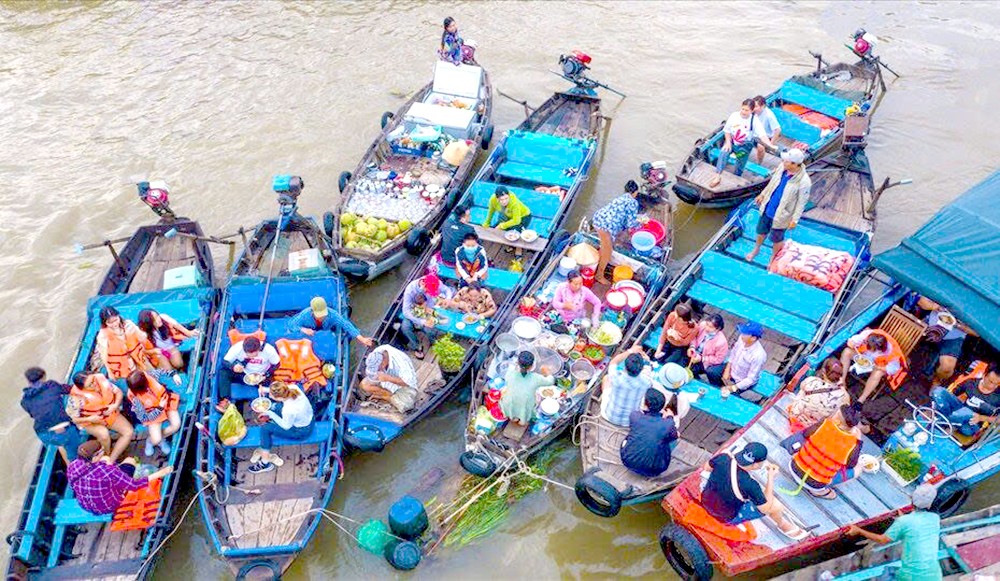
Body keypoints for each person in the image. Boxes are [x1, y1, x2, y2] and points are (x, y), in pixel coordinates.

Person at [701, 442, 807, 539]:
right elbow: (765, 508)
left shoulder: (723, 458)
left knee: (750, 494)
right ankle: (783, 525)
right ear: (756, 465)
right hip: (723, 516)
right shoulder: (751, 485)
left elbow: (706, 467)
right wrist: (770, 478)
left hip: (705, 500)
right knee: (775, 505)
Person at [848, 484, 943, 581]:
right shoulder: (934, 518)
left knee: (885, 574)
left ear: (911, 499)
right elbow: (916, 529)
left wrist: (859, 531)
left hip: (910, 576)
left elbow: (882, 540)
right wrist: (904, 520)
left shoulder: (905, 521)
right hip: (934, 575)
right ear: (930, 504)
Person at [744, 148, 811, 264]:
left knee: (777, 238)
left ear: (794, 164)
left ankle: (773, 258)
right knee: (761, 230)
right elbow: (772, 183)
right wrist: (762, 195)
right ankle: (756, 249)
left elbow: (801, 203)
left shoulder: (804, 182)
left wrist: (795, 219)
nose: (783, 162)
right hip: (768, 207)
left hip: (782, 214)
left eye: (787, 161)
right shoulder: (782, 168)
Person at [67, 443, 173, 516]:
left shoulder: (73, 466)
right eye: (101, 451)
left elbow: (73, 486)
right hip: (109, 506)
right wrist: (160, 473)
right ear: (94, 458)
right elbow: (134, 485)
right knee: (130, 460)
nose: (104, 451)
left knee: (107, 460)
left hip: (86, 505)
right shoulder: (107, 471)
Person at [789, 404, 864, 500]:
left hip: (794, 466)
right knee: (858, 469)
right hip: (815, 483)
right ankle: (817, 491)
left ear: (837, 420)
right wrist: (859, 442)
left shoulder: (824, 423)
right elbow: (850, 465)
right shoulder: (853, 443)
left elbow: (805, 433)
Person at [20, 367, 85, 463]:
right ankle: (76, 468)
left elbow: (35, 414)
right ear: (43, 377)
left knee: (60, 443)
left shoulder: (24, 401)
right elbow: (69, 389)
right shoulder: (51, 385)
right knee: (76, 456)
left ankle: (69, 468)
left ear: (29, 381)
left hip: (43, 434)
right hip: (64, 431)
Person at [248, 382, 315, 474]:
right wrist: (265, 390)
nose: (270, 396)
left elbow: (286, 426)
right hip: (310, 419)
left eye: (271, 395)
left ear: (279, 397)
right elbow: (283, 391)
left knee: (265, 428)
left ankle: (265, 463)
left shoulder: (288, 410)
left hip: (301, 431)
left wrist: (271, 414)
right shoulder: (293, 388)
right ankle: (271, 417)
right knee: (275, 407)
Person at [708, 99, 775, 189]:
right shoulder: (734, 116)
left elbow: (762, 135)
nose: (743, 112)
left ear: (751, 111)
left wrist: (770, 145)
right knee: (723, 154)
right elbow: (727, 130)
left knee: (740, 163)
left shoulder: (754, 121)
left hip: (744, 147)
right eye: (742, 109)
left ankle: (736, 179)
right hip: (732, 142)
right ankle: (717, 176)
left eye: (746, 110)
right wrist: (728, 143)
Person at [68, 372, 134, 462]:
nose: (94, 384)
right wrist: (90, 419)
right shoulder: (76, 398)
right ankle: (105, 456)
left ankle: (110, 461)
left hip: (109, 414)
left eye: (93, 380)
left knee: (128, 432)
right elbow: (73, 419)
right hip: (90, 422)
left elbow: (118, 392)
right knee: (104, 434)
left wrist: (115, 405)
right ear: (83, 388)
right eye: (90, 384)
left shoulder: (100, 379)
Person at [591, 180, 648, 284]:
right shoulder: (633, 202)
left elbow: (622, 215)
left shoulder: (621, 197)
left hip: (598, 218)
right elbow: (631, 224)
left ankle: (596, 263)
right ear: (635, 192)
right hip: (605, 226)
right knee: (608, 252)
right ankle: (599, 276)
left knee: (604, 246)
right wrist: (641, 224)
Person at [918, 296, 978, 387]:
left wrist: (957, 325)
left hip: (955, 336)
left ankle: (936, 380)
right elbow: (921, 301)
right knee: (902, 331)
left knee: (947, 368)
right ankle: (902, 360)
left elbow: (977, 333)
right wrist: (936, 307)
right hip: (931, 322)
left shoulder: (980, 304)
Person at [96, 306, 162, 387]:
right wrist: (110, 372)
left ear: (118, 316)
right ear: (104, 323)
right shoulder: (103, 335)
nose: (114, 324)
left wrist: (135, 330)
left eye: (115, 320)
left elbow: (143, 337)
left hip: (139, 358)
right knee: (134, 383)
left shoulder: (128, 324)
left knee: (152, 376)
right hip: (123, 364)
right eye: (110, 322)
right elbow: (104, 356)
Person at [930, 361, 1000, 437]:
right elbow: (951, 395)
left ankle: (940, 421)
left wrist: (981, 418)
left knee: (966, 412)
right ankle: (948, 421)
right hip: (959, 412)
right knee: (939, 391)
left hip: (971, 425)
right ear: (984, 375)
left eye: (997, 384)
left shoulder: (998, 396)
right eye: (991, 382)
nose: (993, 386)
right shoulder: (971, 383)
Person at [620, 388, 679, 478]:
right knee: (673, 437)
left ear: (645, 404)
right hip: (654, 470)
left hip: (627, 460)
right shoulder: (668, 423)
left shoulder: (635, 416)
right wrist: (670, 416)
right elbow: (676, 435)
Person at [838, 328, 906, 403]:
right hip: (863, 357)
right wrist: (852, 342)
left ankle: (861, 400)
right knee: (847, 352)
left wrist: (878, 367)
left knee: (878, 373)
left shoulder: (892, 352)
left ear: (879, 350)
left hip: (877, 364)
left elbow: (894, 368)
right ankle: (841, 381)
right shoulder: (869, 334)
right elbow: (854, 340)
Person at [126, 370, 181, 457]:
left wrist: (174, 374)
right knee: (156, 439)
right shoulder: (135, 399)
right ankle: (152, 441)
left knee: (176, 425)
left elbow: (162, 371)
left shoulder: (150, 375)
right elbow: (144, 418)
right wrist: (159, 408)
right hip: (152, 412)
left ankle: (161, 438)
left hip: (166, 401)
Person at [709, 321, 768, 403]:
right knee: (711, 372)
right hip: (733, 368)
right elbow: (733, 353)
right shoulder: (741, 338)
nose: (741, 334)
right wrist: (727, 370)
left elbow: (751, 379)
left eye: (745, 334)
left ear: (753, 338)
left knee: (732, 399)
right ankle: (720, 388)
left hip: (741, 380)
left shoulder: (758, 356)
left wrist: (733, 387)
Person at [787, 358, 850, 431]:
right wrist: (842, 385)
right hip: (812, 429)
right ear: (840, 377)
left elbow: (801, 389)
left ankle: (796, 411)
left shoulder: (812, 381)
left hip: (794, 417)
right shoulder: (842, 396)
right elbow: (847, 404)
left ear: (823, 371)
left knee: (803, 391)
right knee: (836, 409)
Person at [401, 273, 455, 359]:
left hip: (429, 310)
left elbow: (447, 290)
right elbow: (406, 311)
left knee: (430, 329)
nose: (430, 293)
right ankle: (416, 346)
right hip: (415, 312)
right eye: (429, 291)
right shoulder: (410, 289)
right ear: (423, 284)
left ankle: (433, 340)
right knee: (405, 327)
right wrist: (422, 321)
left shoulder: (435, 281)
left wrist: (448, 299)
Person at [288, 296, 373, 347]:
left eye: (323, 315)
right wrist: (303, 329)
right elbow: (291, 325)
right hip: (311, 336)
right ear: (312, 311)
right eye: (319, 315)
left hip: (326, 332)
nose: (322, 317)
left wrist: (361, 338)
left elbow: (346, 324)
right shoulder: (305, 315)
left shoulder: (332, 314)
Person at [219, 336, 281, 405]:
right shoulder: (237, 348)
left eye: (254, 355)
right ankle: (225, 399)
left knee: (274, 392)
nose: (252, 357)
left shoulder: (269, 350)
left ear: (259, 349)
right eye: (249, 355)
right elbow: (225, 361)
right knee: (224, 372)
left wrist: (266, 375)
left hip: (261, 376)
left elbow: (277, 364)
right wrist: (233, 367)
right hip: (244, 373)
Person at [600, 346, 652, 427]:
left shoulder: (616, 377)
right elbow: (648, 368)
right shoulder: (646, 382)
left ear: (625, 366)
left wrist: (630, 350)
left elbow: (614, 361)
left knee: (606, 378)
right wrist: (647, 361)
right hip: (629, 422)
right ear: (641, 369)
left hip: (608, 415)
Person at [500, 351, 555, 426]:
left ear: (517, 363)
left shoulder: (510, 373)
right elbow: (551, 381)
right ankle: (522, 422)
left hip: (509, 402)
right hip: (525, 405)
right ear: (532, 366)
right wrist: (547, 372)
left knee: (512, 404)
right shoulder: (536, 378)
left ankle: (513, 418)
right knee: (527, 405)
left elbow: (508, 380)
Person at [359, 345, 419, 412]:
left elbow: (407, 382)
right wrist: (380, 375)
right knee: (364, 385)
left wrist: (388, 378)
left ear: (383, 362)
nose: (377, 370)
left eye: (378, 368)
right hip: (385, 377)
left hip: (403, 384)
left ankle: (386, 397)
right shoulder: (378, 352)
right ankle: (388, 395)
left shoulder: (401, 363)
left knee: (407, 405)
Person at [137, 308, 198, 373]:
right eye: (154, 320)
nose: (158, 320)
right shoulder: (144, 334)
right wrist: (154, 351)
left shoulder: (164, 318)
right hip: (159, 353)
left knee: (179, 364)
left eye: (157, 316)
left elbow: (177, 325)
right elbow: (142, 351)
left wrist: (189, 333)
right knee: (169, 370)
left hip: (171, 347)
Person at [687, 314, 729, 381]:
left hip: (705, 361)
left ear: (718, 329)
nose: (706, 328)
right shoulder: (702, 325)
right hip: (695, 352)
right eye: (707, 324)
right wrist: (692, 347)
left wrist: (701, 358)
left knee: (691, 373)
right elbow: (694, 335)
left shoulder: (721, 342)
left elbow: (718, 359)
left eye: (710, 327)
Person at [440, 203, 474, 268]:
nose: (470, 217)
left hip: (444, 258)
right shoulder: (469, 230)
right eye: (469, 215)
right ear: (462, 218)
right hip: (457, 262)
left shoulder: (446, 222)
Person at [752, 95, 782, 164]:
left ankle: (758, 163)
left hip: (765, 137)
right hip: (754, 133)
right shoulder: (753, 112)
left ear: (763, 106)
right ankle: (738, 155)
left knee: (760, 147)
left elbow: (778, 129)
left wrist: (771, 144)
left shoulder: (769, 115)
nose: (754, 108)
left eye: (756, 106)